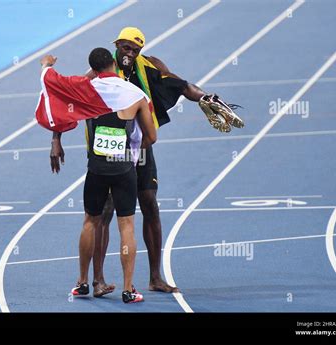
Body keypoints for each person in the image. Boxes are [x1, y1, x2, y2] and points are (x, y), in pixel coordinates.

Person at [50, 27, 243, 296]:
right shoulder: (99, 72)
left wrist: (204, 96)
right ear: (117, 45)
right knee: (104, 214)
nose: (129, 53)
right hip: (108, 151)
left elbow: (181, 84)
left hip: (139, 150)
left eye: (134, 49)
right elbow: (68, 101)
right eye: (126, 47)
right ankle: (97, 280)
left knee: (150, 204)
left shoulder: (150, 65)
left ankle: (155, 277)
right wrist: (56, 139)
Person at [60, 48, 157, 303]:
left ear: (92, 69)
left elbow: (59, 108)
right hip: (124, 167)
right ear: (114, 63)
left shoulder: (86, 91)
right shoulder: (136, 94)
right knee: (126, 226)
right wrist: (134, 152)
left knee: (90, 222)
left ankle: (82, 283)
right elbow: (152, 136)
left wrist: (55, 141)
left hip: (96, 167)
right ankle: (128, 289)